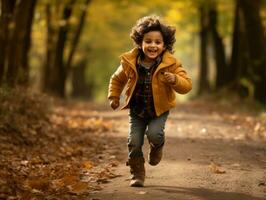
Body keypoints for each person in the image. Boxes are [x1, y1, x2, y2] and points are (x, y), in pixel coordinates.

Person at [108, 15, 192, 187]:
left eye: (158, 42)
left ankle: (157, 146)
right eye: (148, 41)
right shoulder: (130, 62)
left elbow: (187, 86)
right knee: (134, 142)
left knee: (154, 134)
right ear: (140, 43)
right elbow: (117, 79)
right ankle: (137, 173)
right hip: (137, 111)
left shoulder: (171, 64)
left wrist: (175, 80)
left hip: (158, 111)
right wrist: (114, 96)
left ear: (164, 45)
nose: (153, 45)